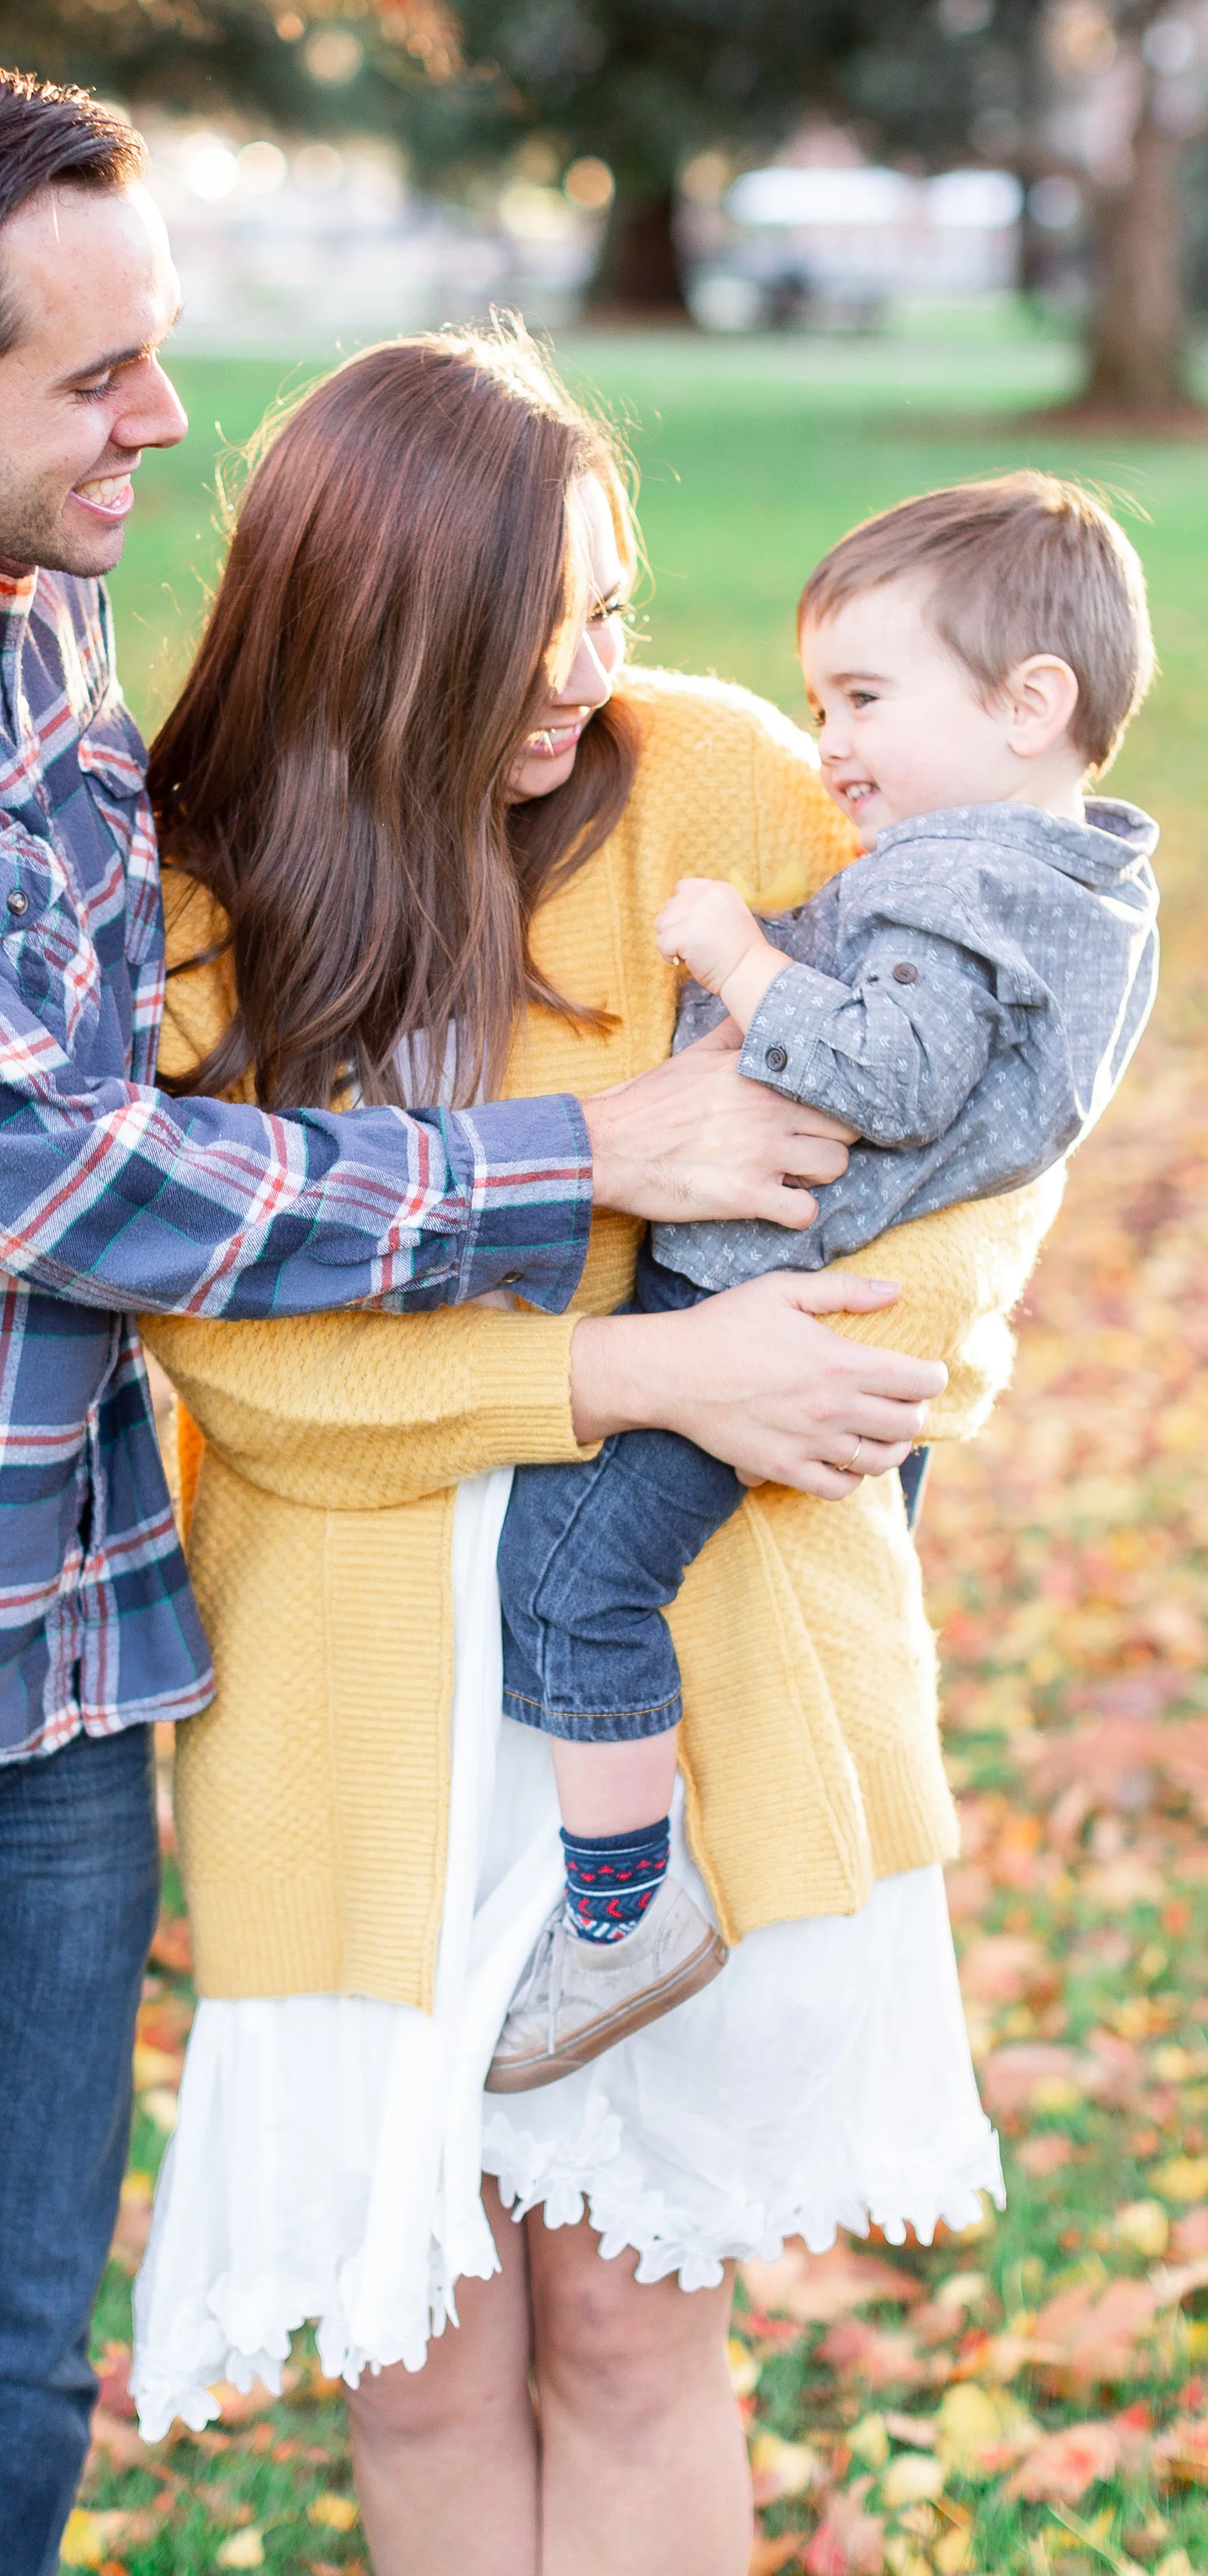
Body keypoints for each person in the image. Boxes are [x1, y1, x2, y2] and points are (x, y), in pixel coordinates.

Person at [0, 46, 859, 2576]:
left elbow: (225, 940)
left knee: (6, 2357)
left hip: (66, 1643)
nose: (163, 418)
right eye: (98, 375)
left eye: (158, 342)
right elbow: (77, 1180)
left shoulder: (37, 601)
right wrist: (591, 1158)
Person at [131, 325, 1062, 2576]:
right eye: (519, 639)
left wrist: (854, 1357)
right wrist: (650, 1371)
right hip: (346, 1703)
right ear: (364, 622)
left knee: (632, 2335)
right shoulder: (207, 877)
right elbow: (229, 1339)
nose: (582, 681)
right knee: (425, 2350)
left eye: (609, 614)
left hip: (664, 1669)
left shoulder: (722, 783)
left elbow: (963, 1129)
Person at [486, 474, 1158, 2093]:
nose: (827, 744)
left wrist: (734, 959)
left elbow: (898, 1068)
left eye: (861, 699)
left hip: (742, 1308)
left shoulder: (953, 880)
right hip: (788, 1303)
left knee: (569, 1582)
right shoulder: (1075, 888)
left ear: (1027, 704)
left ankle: (616, 1912)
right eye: (815, 703)